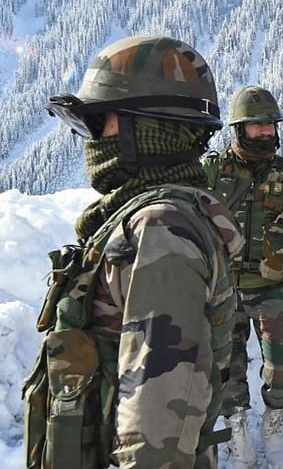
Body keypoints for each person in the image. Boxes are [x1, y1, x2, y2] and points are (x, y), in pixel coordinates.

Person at [34, 35, 243, 468]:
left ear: (148, 131)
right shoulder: (144, 218)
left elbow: (157, 432)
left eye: (98, 123)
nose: (90, 139)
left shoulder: (161, 229)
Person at [202, 85, 283, 469]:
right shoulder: (213, 172)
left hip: (270, 291)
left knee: (280, 367)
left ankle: (273, 427)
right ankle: (237, 433)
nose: (267, 131)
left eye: (271, 124)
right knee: (227, 368)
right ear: (240, 129)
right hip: (222, 290)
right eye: (258, 125)